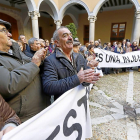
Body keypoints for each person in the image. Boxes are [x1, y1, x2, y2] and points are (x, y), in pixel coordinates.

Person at [0, 19, 50, 122]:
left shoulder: (15, 52)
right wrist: (34, 63)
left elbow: (31, 65)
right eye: (4, 31)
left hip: (40, 112)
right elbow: (9, 85)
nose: (9, 34)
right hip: (24, 121)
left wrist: (41, 60)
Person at [41, 26, 101, 101]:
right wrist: (77, 79)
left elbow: (84, 82)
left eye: (70, 35)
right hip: (65, 106)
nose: (70, 38)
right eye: (65, 36)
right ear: (57, 43)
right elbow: (49, 87)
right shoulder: (50, 60)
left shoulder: (79, 56)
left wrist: (88, 78)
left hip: (79, 103)